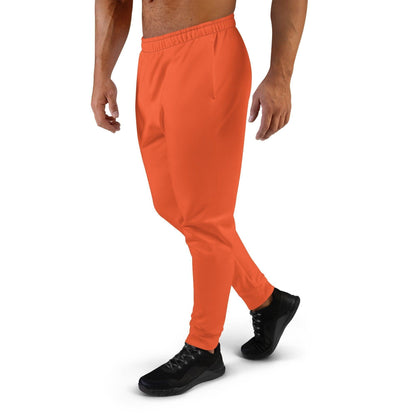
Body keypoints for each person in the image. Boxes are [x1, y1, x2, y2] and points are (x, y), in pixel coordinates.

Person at [91, 0, 307, 396]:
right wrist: (101, 72)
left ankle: (205, 346)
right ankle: (267, 301)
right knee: (172, 204)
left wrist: (280, 75)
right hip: (151, 59)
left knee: (206, 217)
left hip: (208, 52)